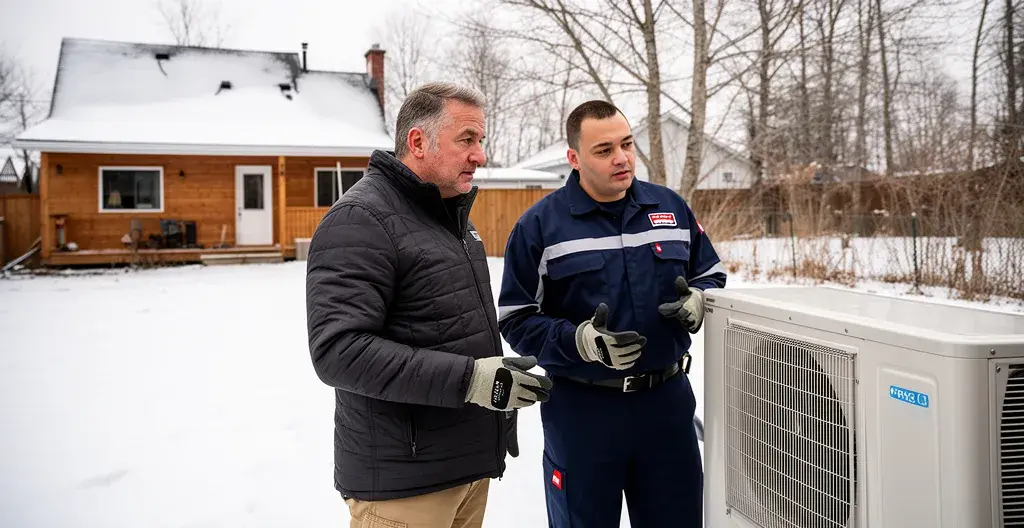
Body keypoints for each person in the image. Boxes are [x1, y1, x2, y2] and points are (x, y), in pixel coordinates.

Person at [306, 81, 554, 528]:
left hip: (463, 471)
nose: (480, 155)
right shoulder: (362, 219)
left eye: (480, 140)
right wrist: (471, 380)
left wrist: (492, 383)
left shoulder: (449, 218)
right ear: (418, 142)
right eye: (466, 140)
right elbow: (338, 352)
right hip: (404, 489)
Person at [497, 100, 727, 527]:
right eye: (604, 150)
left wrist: (701, 298)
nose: (621, 158)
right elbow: (515, 317)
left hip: (666, 407)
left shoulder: (670, 208)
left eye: (627, 144)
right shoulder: (539, 226)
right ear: (574, 158)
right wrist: (579, 341)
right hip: (584, 413)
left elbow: (710, 273)